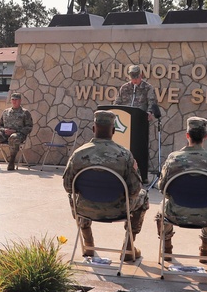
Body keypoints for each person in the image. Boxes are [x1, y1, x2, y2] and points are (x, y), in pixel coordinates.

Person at [63, 110, 149, 262]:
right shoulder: (125, 155)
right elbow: (135, 190)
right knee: (144, 196)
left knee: (76, 197)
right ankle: (128, 248)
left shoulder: (78, 154)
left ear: (94, 128)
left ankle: (88, 244)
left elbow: (68, 187)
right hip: (118, 209)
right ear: (114, 131)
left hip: (85, 208)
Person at [157, 116, 207, 262]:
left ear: (187, 135)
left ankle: (167, 247)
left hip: (176, 213)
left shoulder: (173, 159)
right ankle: (205, 249)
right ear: (205, 137)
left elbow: (162, 188)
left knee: (161, 208)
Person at [0, 92, 33, 171]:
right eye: (13, 99)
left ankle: (12, 162)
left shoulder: (25, 113)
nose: (14, 101)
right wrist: (4, 130)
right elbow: (0, 125)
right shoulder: (6, 112)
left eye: (16, 100)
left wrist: (15, 131)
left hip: (18, 135)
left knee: (13, 137)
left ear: (20, 101)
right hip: (5, 134)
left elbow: (29, 127)